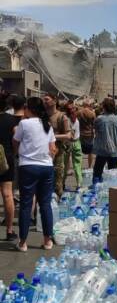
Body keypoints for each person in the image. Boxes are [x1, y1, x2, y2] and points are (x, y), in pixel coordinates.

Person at [13, 97, 56, 252]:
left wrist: (20, 153)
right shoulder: (48, 125)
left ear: (29, 108)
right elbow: (52, 147)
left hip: (28, 166)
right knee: (45, 204)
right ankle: (47, 240)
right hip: (46, 166)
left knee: (25, 204)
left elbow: (15, 142)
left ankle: (23, 242)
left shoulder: (24, 124)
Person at [43, 93, 72, 198]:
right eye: (44, 100)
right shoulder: (42, 116)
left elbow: (68, 135)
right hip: (43, 152)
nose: (45, 101)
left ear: (54, 101)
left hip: (58, 153)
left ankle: (58, 202)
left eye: (47, 99)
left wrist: (53, 137)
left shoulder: (61, 116)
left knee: (57, 181)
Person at [92, 98, 117, 183]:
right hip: (115, 151)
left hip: (102, 150)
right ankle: (111, 192)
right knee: (113, 175)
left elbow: (95, 130)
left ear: (104, 107)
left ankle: (95, 191)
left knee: (97, 172)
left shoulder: (99, 119)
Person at [0, 94, 19, 241]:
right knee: (7, 194)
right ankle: (10, 230)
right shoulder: (11, 120)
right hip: (6, 158)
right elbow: (15, 140)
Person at [63, 103, 83, 188]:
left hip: (68, 143)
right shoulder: (76, 119)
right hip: (75, 142)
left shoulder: (66, 119)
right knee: (77, 164)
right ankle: (79, 183)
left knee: (65, 164)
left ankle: (62, 183)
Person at [77, 100, 96, 169]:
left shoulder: (78, 113)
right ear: (88, 105)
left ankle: (79, 166)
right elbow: (94, 124)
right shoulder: (92, 113)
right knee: (90, 152)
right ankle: (90, 166)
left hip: (80, 134)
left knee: (79, 151)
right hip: (89, 134)